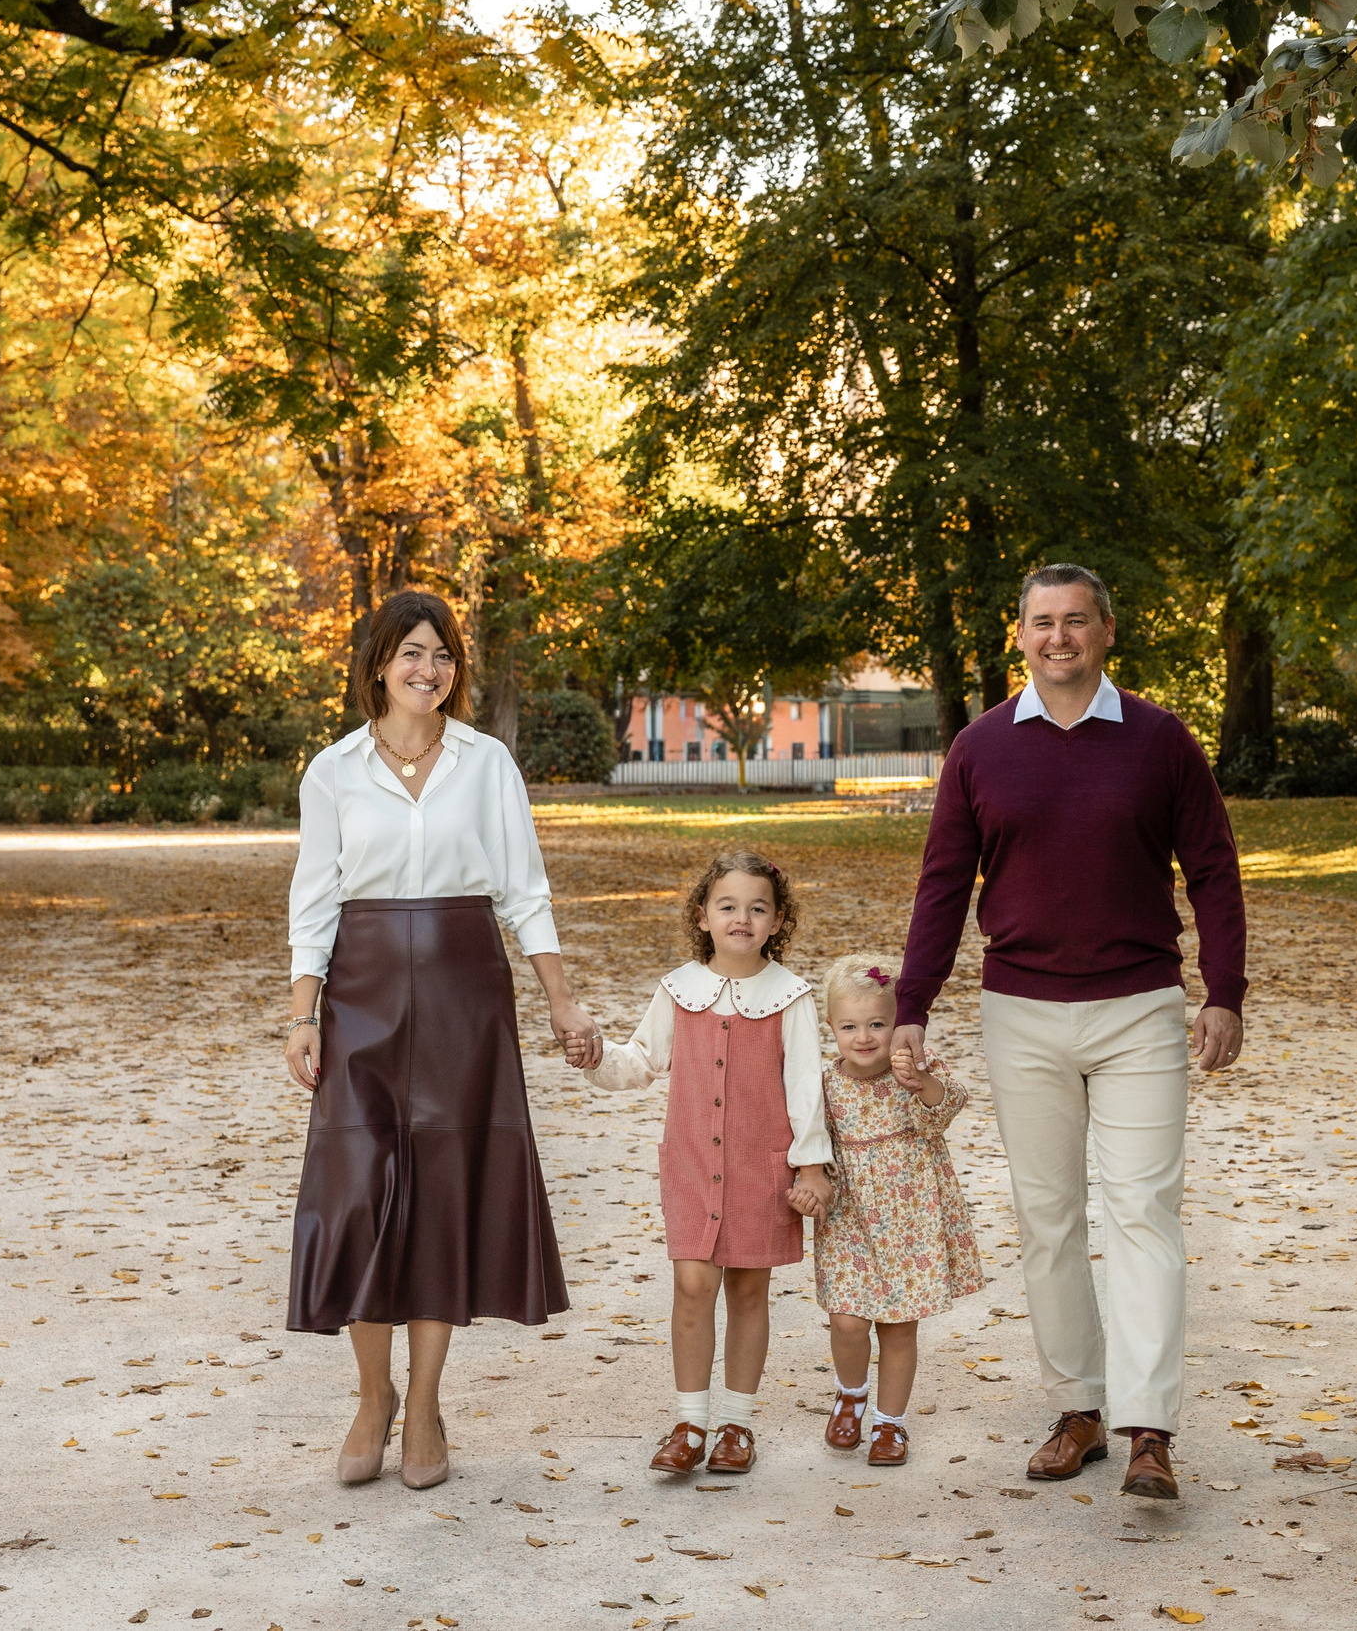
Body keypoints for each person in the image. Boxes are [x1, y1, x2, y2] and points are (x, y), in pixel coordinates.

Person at [893, 563, 1247, 1501]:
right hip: (1023, 1016)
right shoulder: (980, 749)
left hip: (1139, 1012)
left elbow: (1213, 868)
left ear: (1106, 631)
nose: (1059, 638)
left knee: (1143, 1217)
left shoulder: (1161, 742)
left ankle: (1150, 1428)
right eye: (1042, 623)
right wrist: (912, 1006)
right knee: (1048, 1221)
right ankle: (1079, 1409)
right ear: (1020, 636)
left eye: (1076, 621)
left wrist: (1226, 991)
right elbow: (943, 884)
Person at [282, 588, 606, 1491]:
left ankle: (424, 1402)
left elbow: (524, 890)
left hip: (468, 989)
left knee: (443, 1196)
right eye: (412, 654)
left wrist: (563, 1004)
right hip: (365, 990)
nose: (429, 670)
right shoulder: (334, 771)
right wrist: (303, 1011)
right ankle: (372, 1394)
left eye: (443, 655)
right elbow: (314, 899)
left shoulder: (487, 762)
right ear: (379, 664)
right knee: (357, 1193)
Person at [581, 850, 834, 1476]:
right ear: (703, 915)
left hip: (760, 1170)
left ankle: (736, 1425)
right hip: (693, 1165)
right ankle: (691, 1421)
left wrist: (810, 1167)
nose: (741, 917)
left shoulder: (790, 997)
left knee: (750, 1291)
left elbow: (806, 1087)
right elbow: (640, 1059)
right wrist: (595, 1057)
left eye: (757, 908)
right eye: (727, 906)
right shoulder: (677, 989)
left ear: (777, 921)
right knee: (693, 1286)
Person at [811, 954, 983, 1467]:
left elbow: (947, 1107)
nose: (863, 1037)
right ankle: (850, 1393)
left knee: (899, 1327)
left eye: (878, 1025)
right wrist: (806, 1181)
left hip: (911, 1221)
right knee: (846, 1320)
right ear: (831, 1028)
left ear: (899, 1025)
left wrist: (921, 1082)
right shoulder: (825, 1082)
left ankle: (890, 1424)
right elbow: (807, 1142)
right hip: (849, 1219)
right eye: (849, 1026)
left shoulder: (916, 1073)